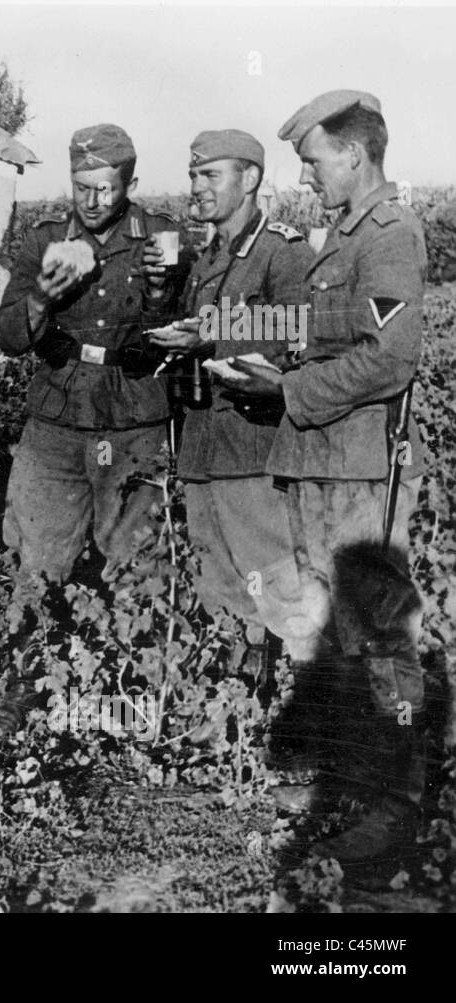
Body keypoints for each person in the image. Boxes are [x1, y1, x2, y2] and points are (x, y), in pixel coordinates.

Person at [216, 91, 429, 862]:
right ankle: (348, 774)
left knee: (378, 635)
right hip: (315, 459)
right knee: (324, 624)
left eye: (312, 162)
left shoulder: (390, 235)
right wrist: (259, 357)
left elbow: (390, 359)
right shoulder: (342, 234)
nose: (305, 177)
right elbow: (327, 333)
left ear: (355, 153)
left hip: (359, 466)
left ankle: (397, 802)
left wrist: (287, 391)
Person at [0, 124, 185, 736]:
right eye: (82, 187)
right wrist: (41, 299)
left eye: (106, 188)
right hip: (59, 418)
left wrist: (159, 289)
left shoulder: (162, 241)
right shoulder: (43, 239)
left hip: (132, 416)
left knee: (134, 557)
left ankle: (132, 693)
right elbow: (9, 337)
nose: (93, 201)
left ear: (130, 183)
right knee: (38, 556)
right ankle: (21, 685)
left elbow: (178, 334)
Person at [147, 130, 316, 673]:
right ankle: (238, 705)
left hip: (252, 445)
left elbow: (298, 331)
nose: (196, 187)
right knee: (219, 583)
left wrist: (210, 335)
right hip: (203, 445)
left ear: (250, 180)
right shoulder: (209, 254)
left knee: (275, 580)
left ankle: (308, 703)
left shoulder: (280, 250)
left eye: (210, 175)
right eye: (194, 175)